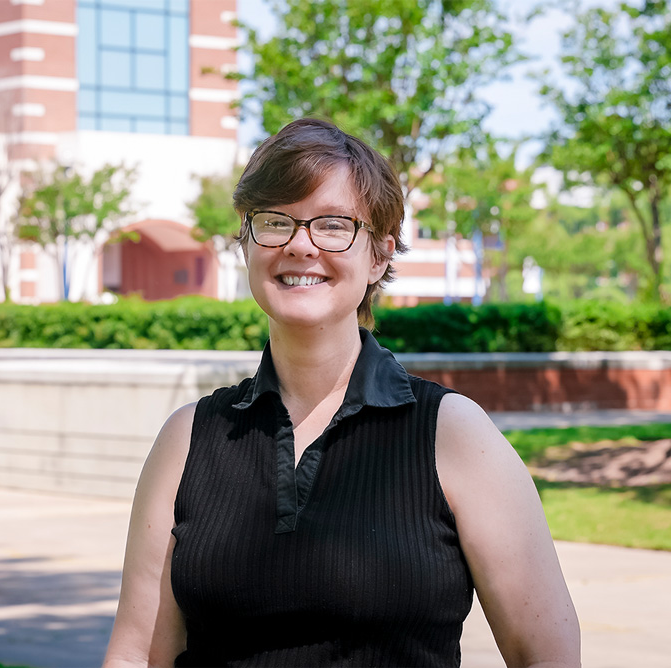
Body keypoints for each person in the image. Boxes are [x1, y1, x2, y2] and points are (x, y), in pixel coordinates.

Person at [102, 118, 580, 667]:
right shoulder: (188, 438)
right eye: (276, 221)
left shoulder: (453, 434)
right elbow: (138, 654)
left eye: (332, 226)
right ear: (246, 242)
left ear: (379, 255)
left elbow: (545, 656)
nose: (301, 245)